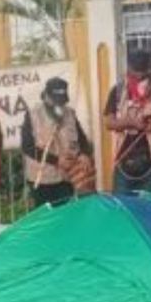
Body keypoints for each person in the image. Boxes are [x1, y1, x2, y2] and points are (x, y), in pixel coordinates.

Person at [105, 48, 151, 194]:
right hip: (124, 158)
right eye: (136, 70)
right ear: (129, 67)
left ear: (148, 68)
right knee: (121, 204)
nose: (139, 75)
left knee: (148, 204)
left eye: (142, 70)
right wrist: (130, 123)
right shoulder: (118, 91)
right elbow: (109, 123)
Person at [22, 76, 94, 206]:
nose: (59, 104)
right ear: (46, 96)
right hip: (42, 179)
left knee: (66, 214)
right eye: (55, 100)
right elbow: (27, 147)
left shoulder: (70, 113)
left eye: (62, 101)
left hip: (66, 178)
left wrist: (84, 154)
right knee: (46, 217)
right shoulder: (33, 115)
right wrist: (56, 161)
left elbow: (82, 139)